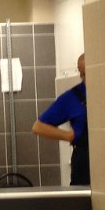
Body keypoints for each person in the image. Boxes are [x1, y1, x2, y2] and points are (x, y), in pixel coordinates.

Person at [33, 53, 89, 186]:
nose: (86, 79)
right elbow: (38, 127)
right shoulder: (73, 97)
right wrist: (69, 136)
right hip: (83, 166)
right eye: (83, 74)